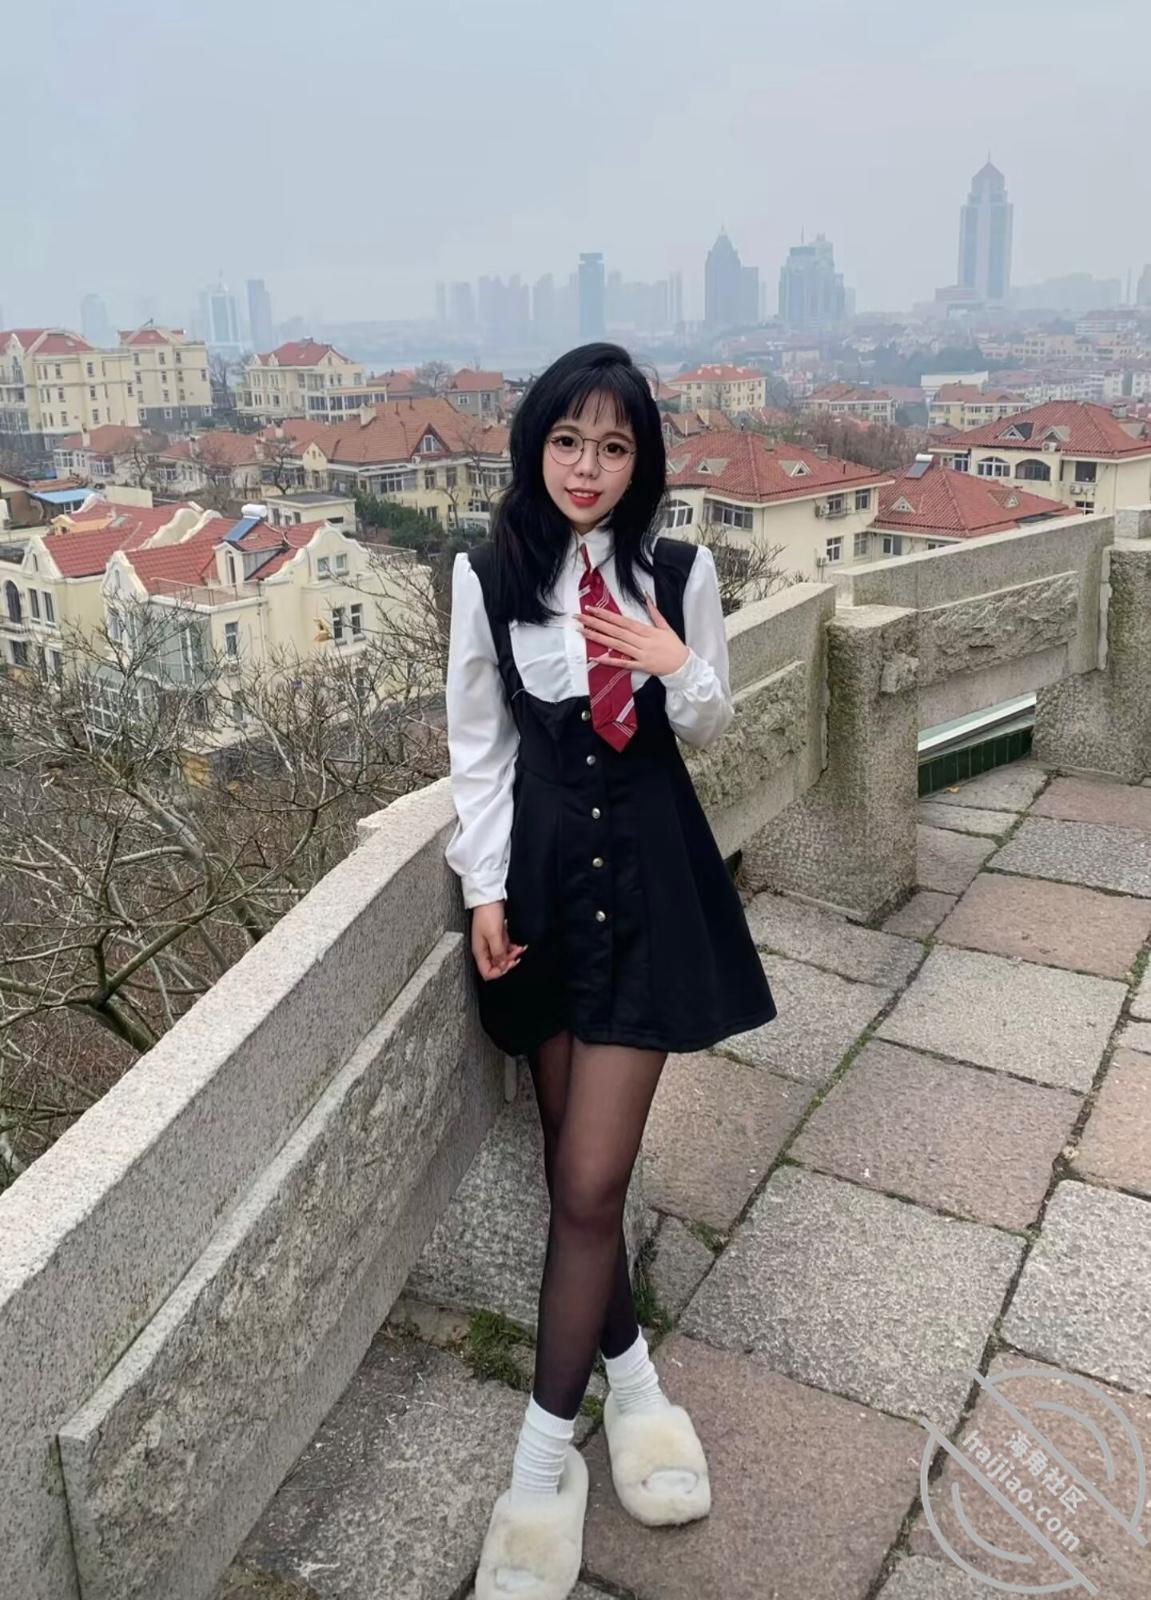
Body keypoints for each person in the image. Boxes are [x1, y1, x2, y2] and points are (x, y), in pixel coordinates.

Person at [445, 342, 777, 1600]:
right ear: (535, 444)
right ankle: (631, 1384)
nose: (587, 466)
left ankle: (539, 1474)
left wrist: (666, 658)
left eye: (614, 445)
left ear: (642, 461)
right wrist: (482, 890)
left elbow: (712, 719)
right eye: (567, 440)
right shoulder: (487, 575)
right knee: (569, 1173)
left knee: (588, 1179)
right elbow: (478, 747)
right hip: (538, 897)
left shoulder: (677, 573)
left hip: (645, 895)